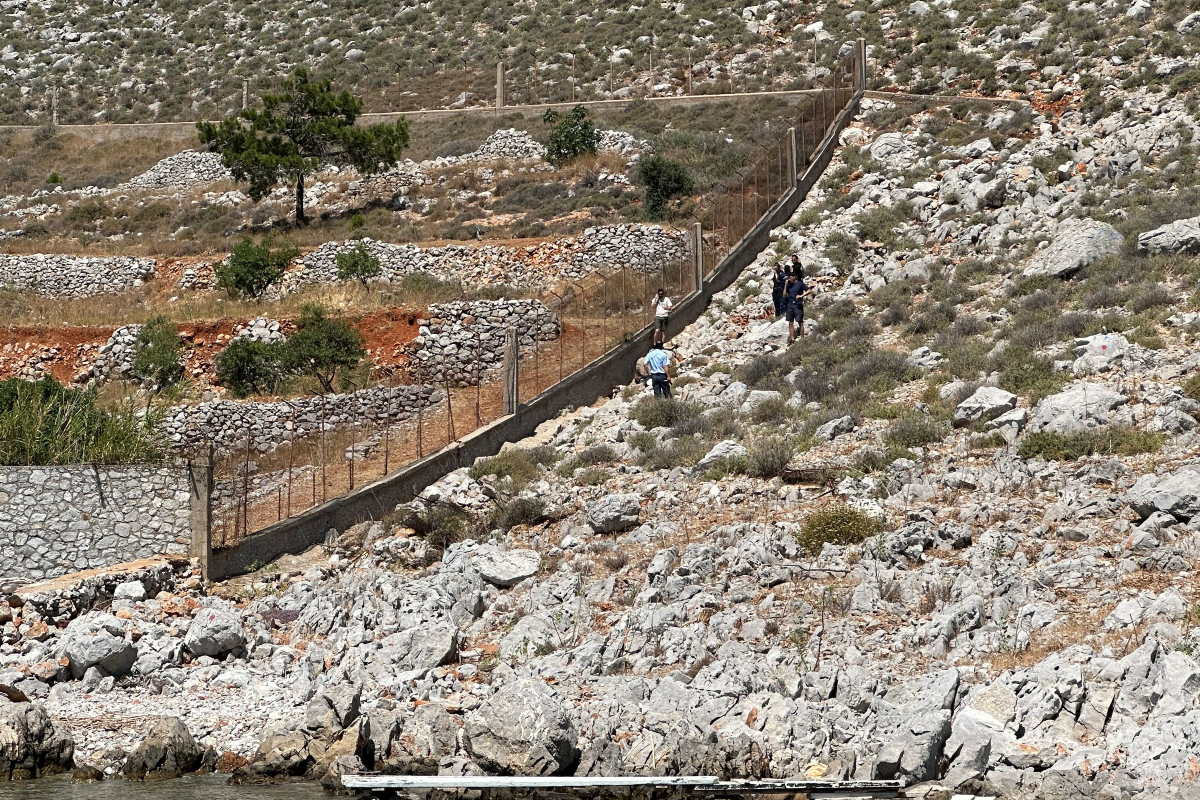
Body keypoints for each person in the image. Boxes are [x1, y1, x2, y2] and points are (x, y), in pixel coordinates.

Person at [783, 269, 813, 344]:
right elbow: (784, 295)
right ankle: (792, 338)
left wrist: (801, 295)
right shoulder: (789, 285)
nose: (789, 279)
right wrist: (785, 285)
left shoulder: (799, 283)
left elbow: (809, 290)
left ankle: (802, 338)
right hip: (790, 304)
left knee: (800, 321)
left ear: (794, 277)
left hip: (797, 304)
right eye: (788, 278)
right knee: (790, 322)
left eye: (790, 277)